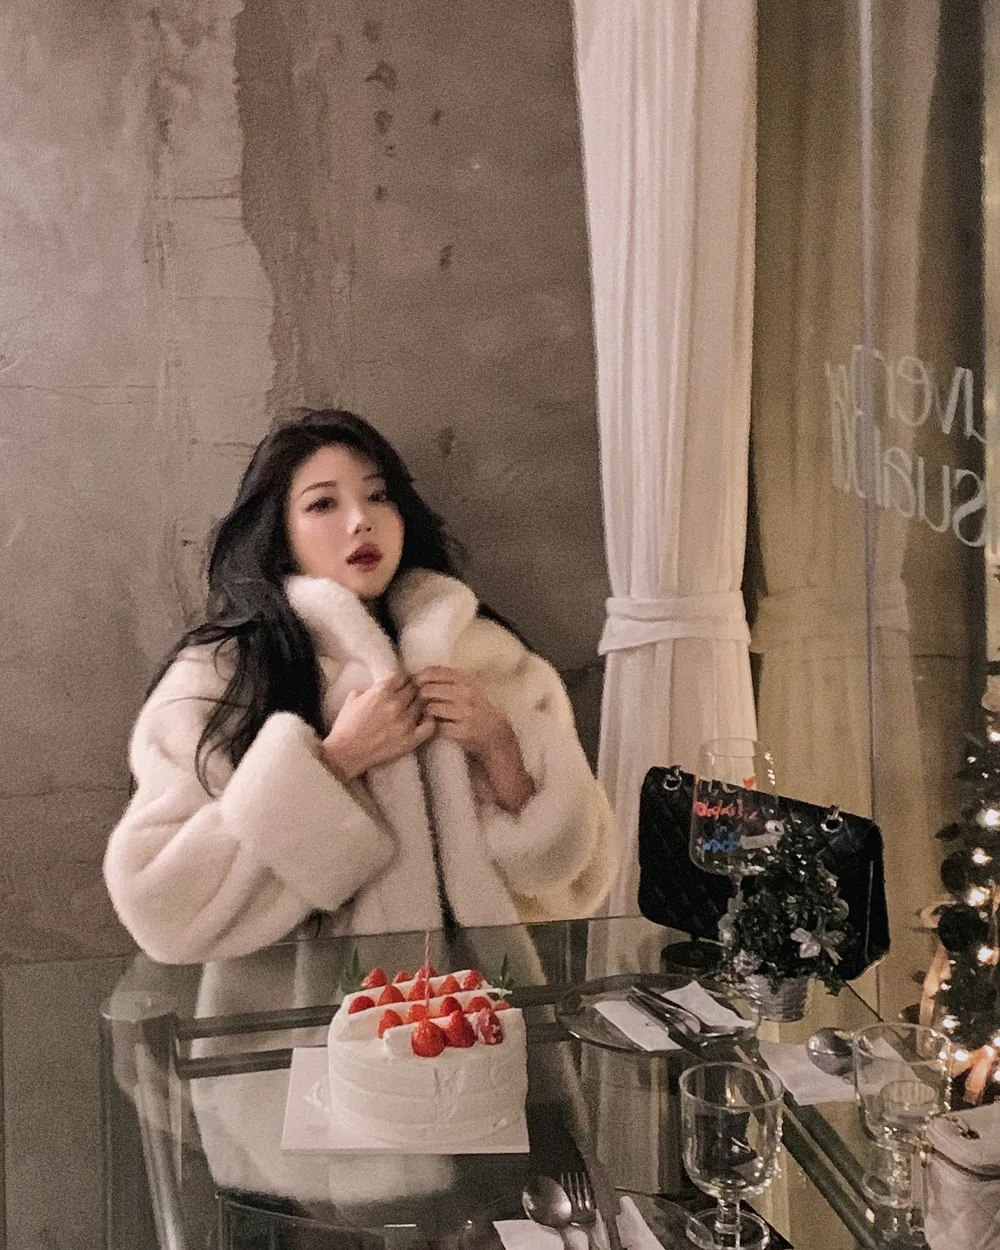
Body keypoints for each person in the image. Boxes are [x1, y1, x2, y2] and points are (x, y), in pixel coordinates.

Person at [104, 408, 617, 964]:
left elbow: (578, 884)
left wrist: (498, 743)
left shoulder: (487, 658)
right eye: (323, 504)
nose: (360, 521)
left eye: (377, 496)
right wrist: (336, 761)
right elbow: (160, 907)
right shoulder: (224, 675)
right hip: (312, 1018)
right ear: (278, 532)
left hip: (481, 1008)